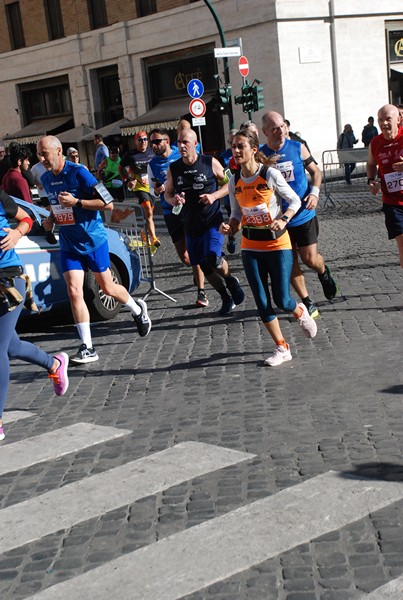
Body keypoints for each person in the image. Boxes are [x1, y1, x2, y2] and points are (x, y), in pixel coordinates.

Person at [37, 135, 152, 364]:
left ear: (58, 151)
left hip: (93, 240)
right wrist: (51, 219)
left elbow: (108, 204)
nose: (41, 159)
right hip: (69, 243)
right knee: (74, 291)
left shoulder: (79, 173)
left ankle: (137, 308)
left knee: (108, 287)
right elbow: (57, 205)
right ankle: (88, 347)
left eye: (45, 154)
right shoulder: (47, 178)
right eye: (39, 154)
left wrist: (78, 202)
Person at [220, 129, 317, 366]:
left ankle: (300, 311)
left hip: (277, 244)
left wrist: (283, 218)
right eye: (233, 146)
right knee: (262, 301)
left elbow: (294, 200)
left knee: (282, 299)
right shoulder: (234, 180)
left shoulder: (269, 174)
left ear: (254, 149)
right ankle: (282, 347)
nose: (236, 151)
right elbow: (235, 213)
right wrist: (230, 227)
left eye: (241, 146)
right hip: (251, 247)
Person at [0, 189, 69, 440]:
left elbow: (27, 218)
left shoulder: (1, 198)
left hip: (6, 278)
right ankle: (54, 363)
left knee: (0, 348)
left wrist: (17, 233)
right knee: (10, 346)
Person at [261, 111, 338, 318]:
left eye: (283, 126)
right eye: (275, 128)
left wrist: (314, 192)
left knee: (310, 259)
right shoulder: (261, 155)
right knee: (290, 262)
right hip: (279, 219)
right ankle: (307, 301)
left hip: (303, 213)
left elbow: (316, 172)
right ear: (265, 131)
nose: (281, 131)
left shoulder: (297, 147)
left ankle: (323, 272)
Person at [165, 128, 245, 315]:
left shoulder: (209, 162)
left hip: (211, 221)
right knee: (202, 265)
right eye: (179, 142)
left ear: (195, 144)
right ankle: (225, 297)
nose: (181, 146)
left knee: (213, 258)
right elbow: (168, 193)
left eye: (185, 142)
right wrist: (173, 200)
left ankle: (231, 280)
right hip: (190, 224)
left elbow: (230, 183)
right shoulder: (174, 168)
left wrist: (214, 195)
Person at [147, 128, 207, 307]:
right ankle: (201, 269)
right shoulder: (152, 164)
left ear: (167, 141)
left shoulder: (179, 154)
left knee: (194, 250)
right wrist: (156, 191)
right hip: (169, 211)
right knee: (185, 257)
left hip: (188, 209)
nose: (155, 145)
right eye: (153, 143)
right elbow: (151, 189)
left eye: (158, 141)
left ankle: (201, 291)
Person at [367, 103, 403, 267]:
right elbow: (370, 164)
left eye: (388, 119)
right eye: (380, 120)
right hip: (392, 203)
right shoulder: (375, 143)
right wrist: (371, 180)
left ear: (399, 119)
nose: (384, 124)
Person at [119, 131, 160, 247]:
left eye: (145, 139)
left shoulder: (152, 152)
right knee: (147, 209)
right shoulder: (130, 155)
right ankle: (154, 238)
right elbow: (120, 168)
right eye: (140, 140)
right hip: (139, 187)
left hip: (151, 187)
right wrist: (127, 181)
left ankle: (144, 232)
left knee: (149, 214)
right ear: (135, 141)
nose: (143, 142)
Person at [219, 129, 238, 254]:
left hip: (245, 192)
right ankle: (231, 237)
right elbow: (220, 175)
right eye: (230, 142)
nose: (233, 145)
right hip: (230, 196)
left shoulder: (243, 152)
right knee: (233, 218)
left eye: (235, 141)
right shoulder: (223, 157)